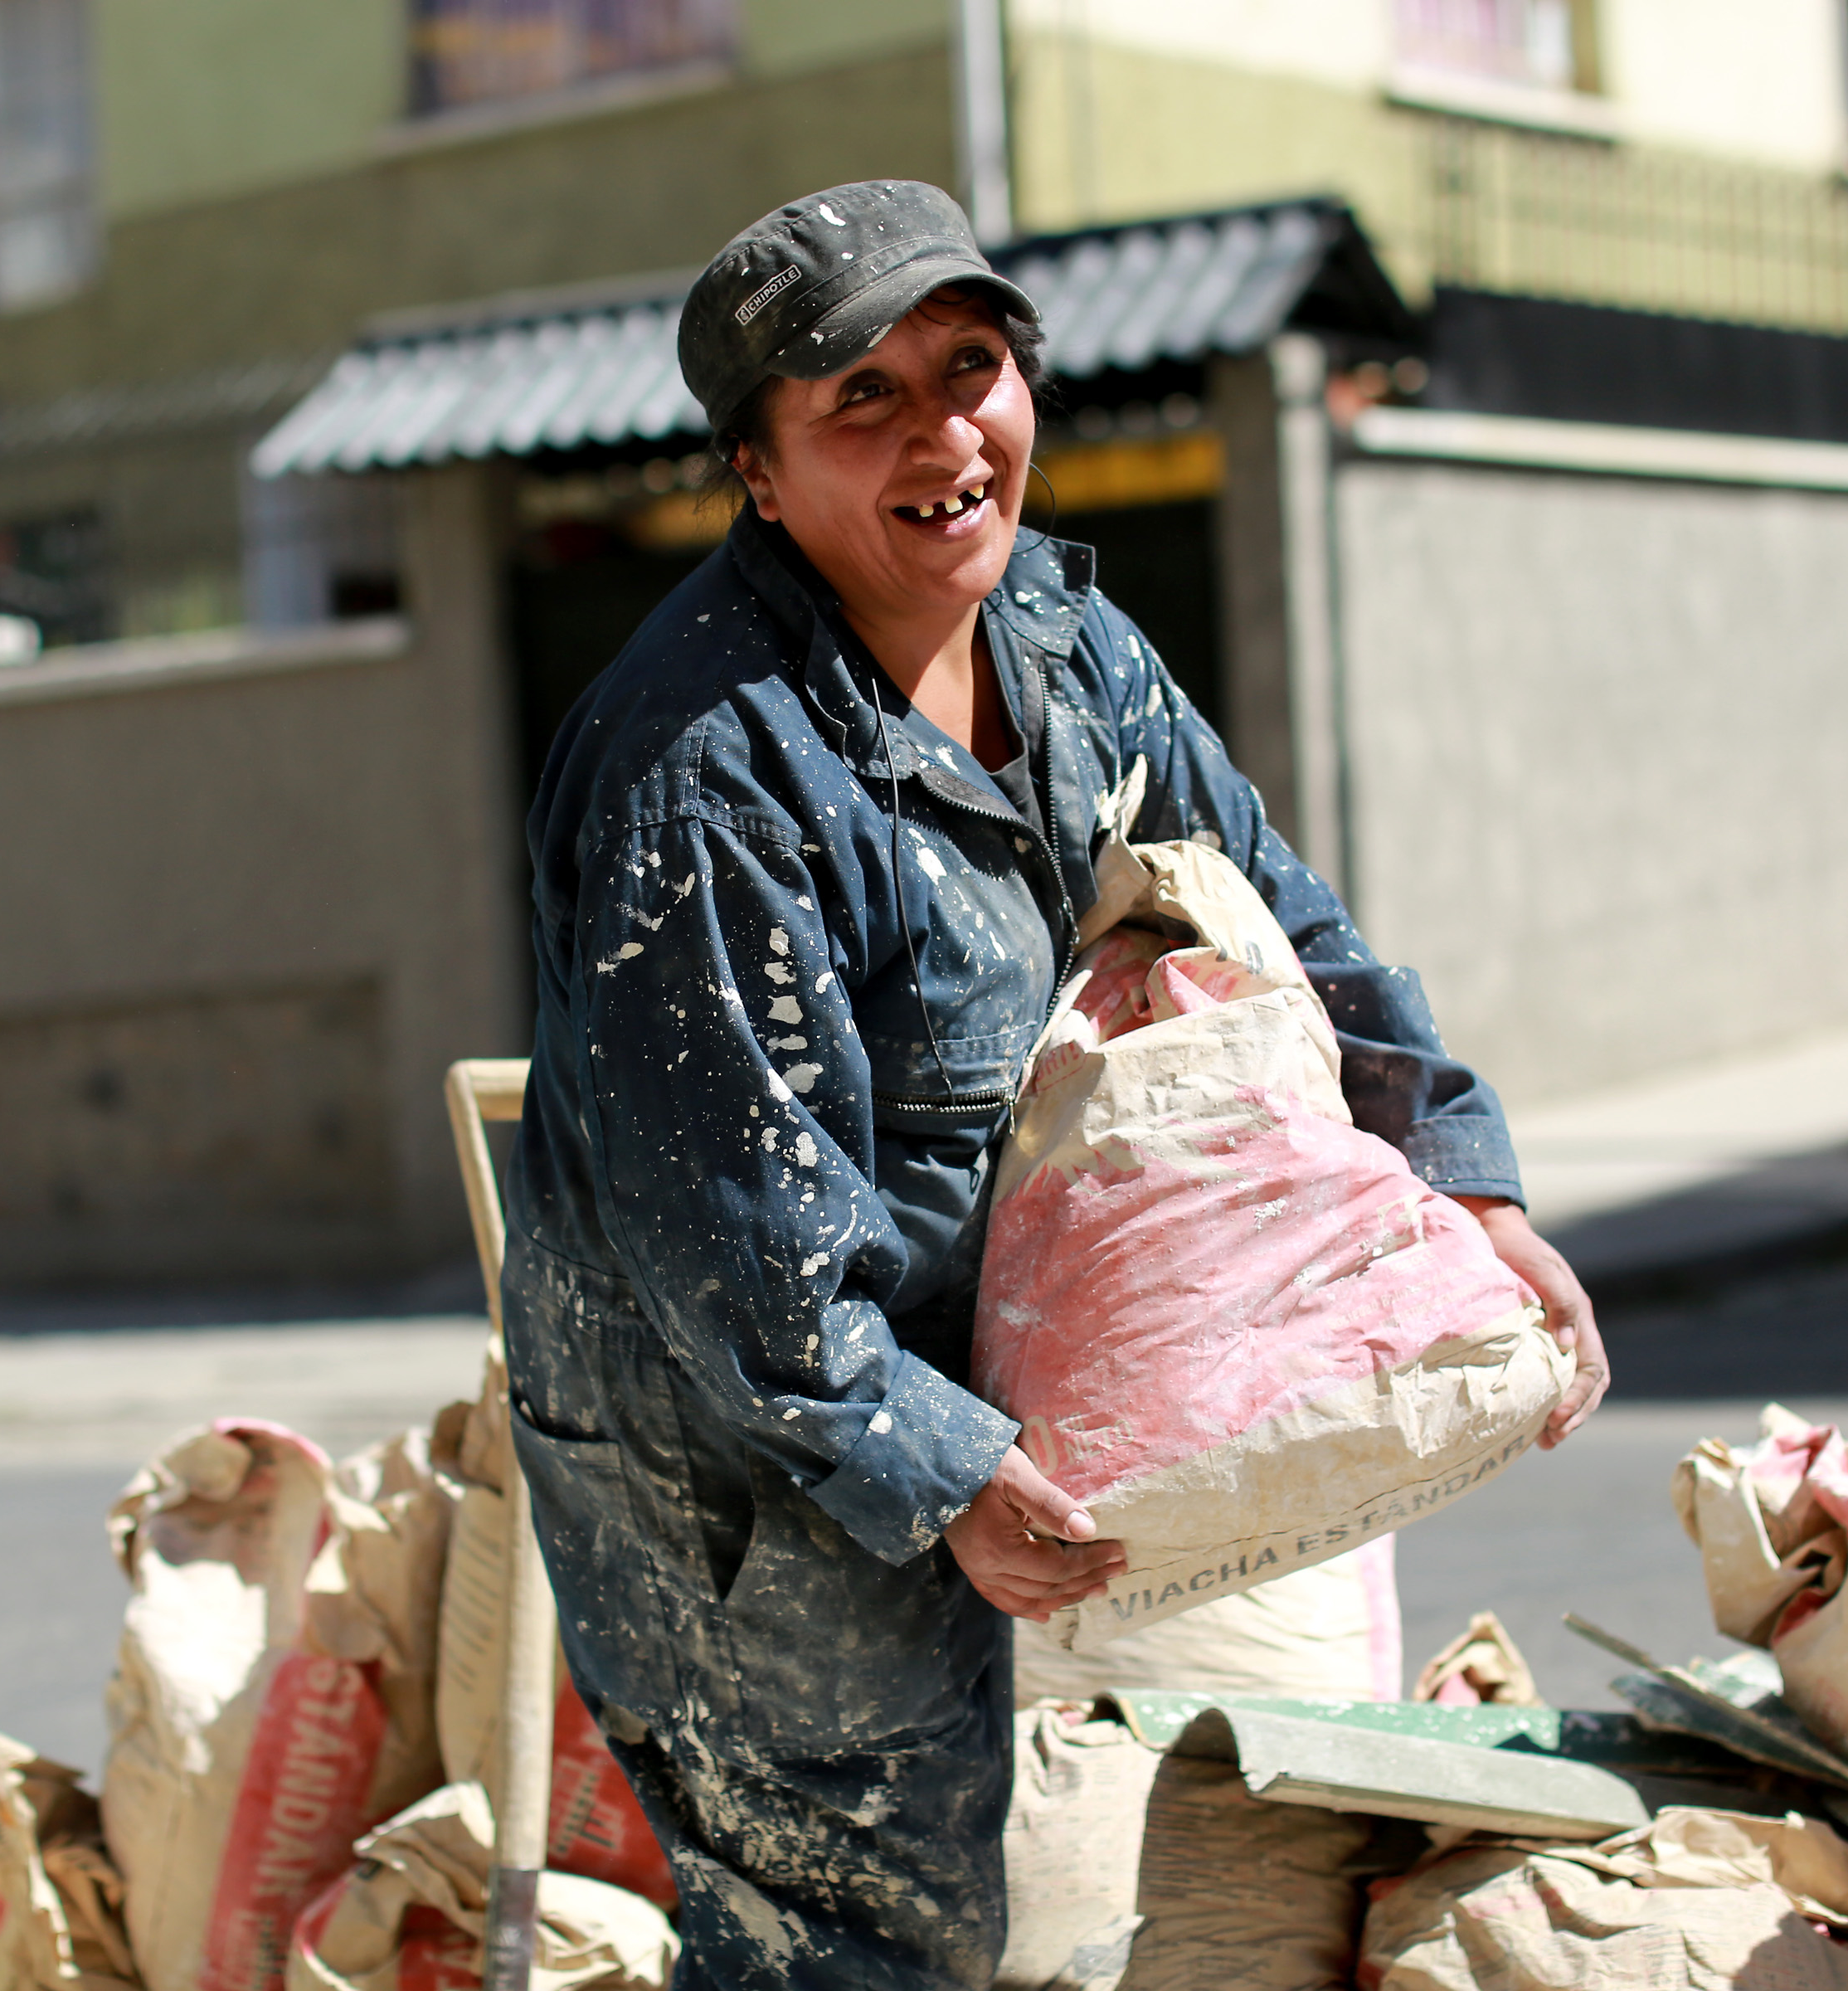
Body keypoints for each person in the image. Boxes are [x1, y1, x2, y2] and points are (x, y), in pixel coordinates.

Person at [501, 180, 1608, 1989]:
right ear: (762, 478)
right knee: (856, 1940)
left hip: (929, 1372)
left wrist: (1466, 1182)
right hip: (738, 1462)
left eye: (973, 366)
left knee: (992, 1898)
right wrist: (944, 1479)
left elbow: (1281, 923)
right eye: (862, 396)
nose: (946, 433)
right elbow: (742, 1244)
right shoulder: (706, 778)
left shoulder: (1065, 647)